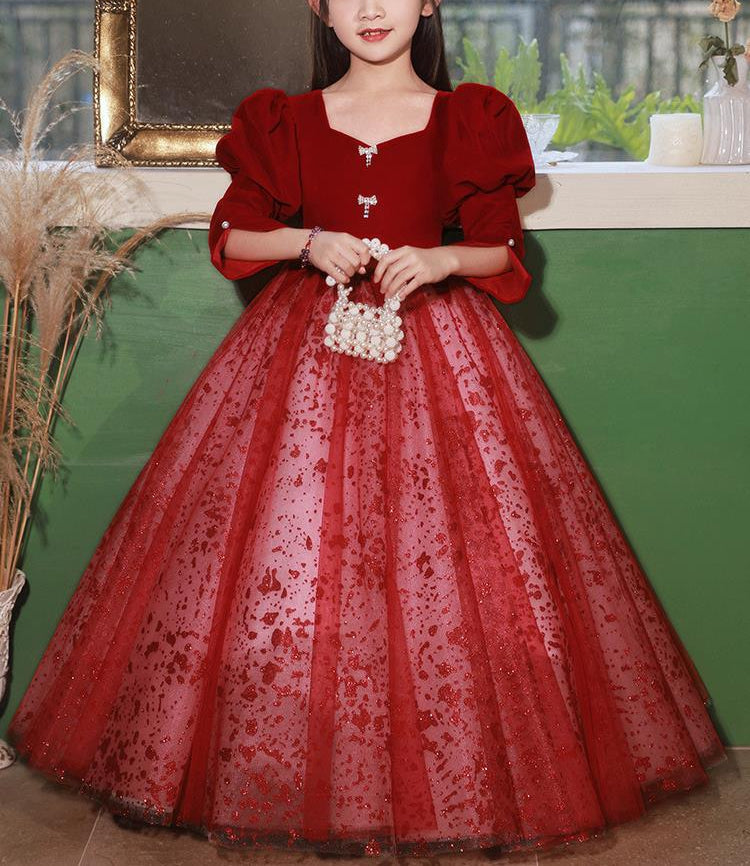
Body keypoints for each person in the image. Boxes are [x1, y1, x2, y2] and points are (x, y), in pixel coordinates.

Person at [7, 0, 727, 859]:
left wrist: (442, 256)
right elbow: (232, 236)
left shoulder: (469, 119)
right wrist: (308, 242)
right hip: (303, 356)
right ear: (319, 6)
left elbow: (503, 252)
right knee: (298, 562)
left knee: (450, 570)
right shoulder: (285, 121)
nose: (372, 8)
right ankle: (304, 770)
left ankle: (445, 780)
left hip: (441, 354)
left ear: (429, 1)